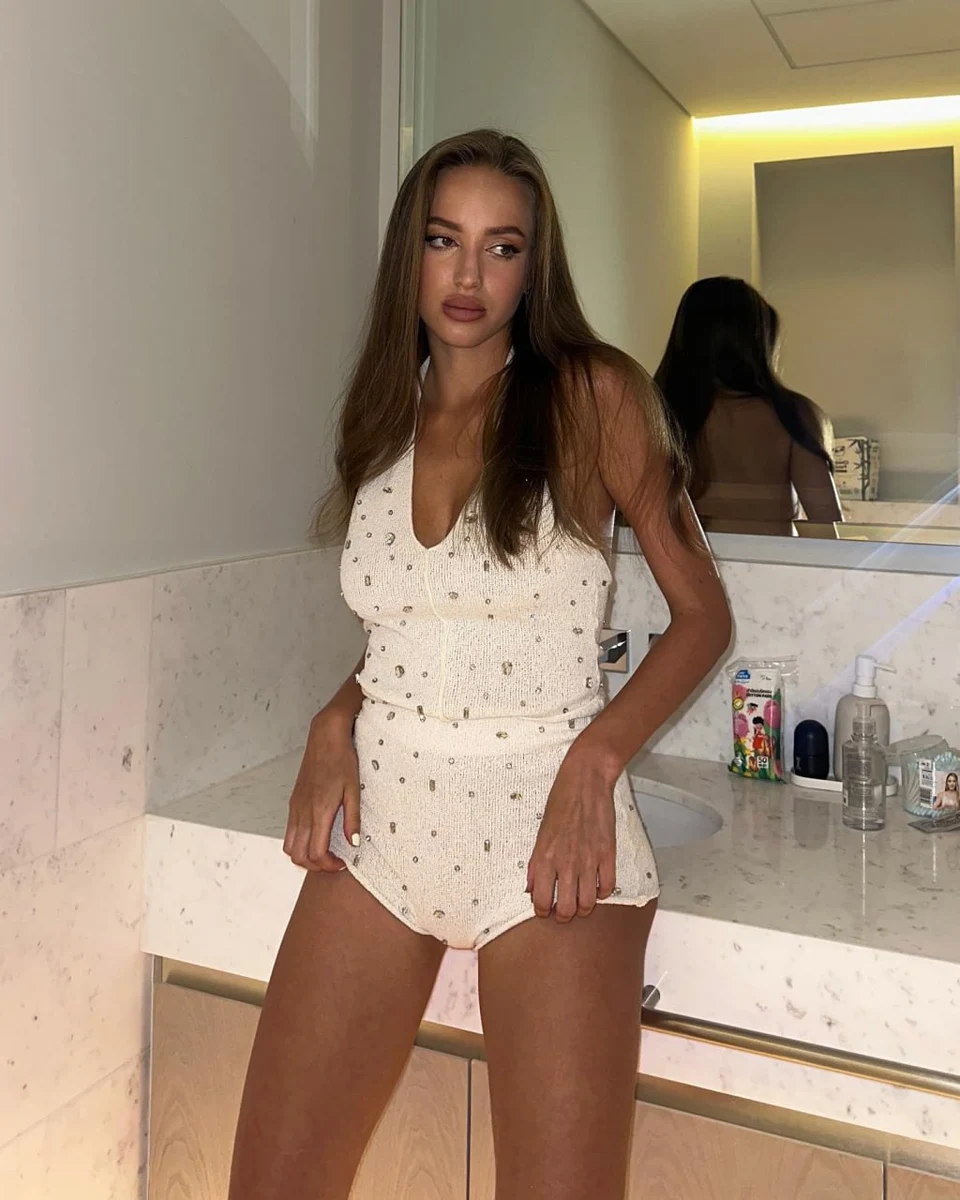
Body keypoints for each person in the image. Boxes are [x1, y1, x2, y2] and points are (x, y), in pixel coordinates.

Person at [227, 129, 731, 1200]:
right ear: (407, 255)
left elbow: (702, 616)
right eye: (443, 240)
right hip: (386, 828)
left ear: (532, 268)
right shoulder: (385, 412)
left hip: (549, 835)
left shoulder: (595, 396)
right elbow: (414, 628)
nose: (468, 275)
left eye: (502, 248)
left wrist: (597, 759)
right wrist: (334, 718)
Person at [654, 276, 843, 538]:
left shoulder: (656, 414)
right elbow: (827, 528)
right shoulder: (792, 415)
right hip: (771, 562)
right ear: (759, 340)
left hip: (679, 563)